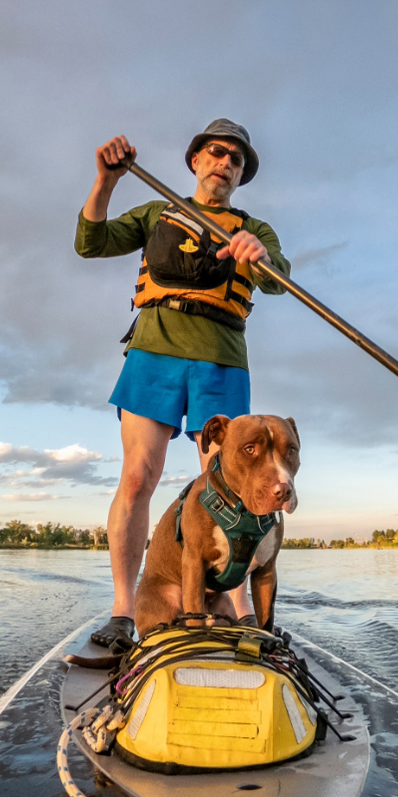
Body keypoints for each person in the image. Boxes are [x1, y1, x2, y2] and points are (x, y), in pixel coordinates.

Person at [76, 119, 291, 649]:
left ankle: (239, 612)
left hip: (221, 356)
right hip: (155, 351)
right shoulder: (156, 212)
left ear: (241, 175)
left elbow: (279, 277)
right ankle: (125, 612)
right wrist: (105, 181)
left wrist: (257, 256)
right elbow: (91, 243)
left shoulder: (253, 228)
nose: (225, 162)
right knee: (137, 478)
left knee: (232, 485)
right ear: (196, 159)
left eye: (236, 160)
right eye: (217, 152)